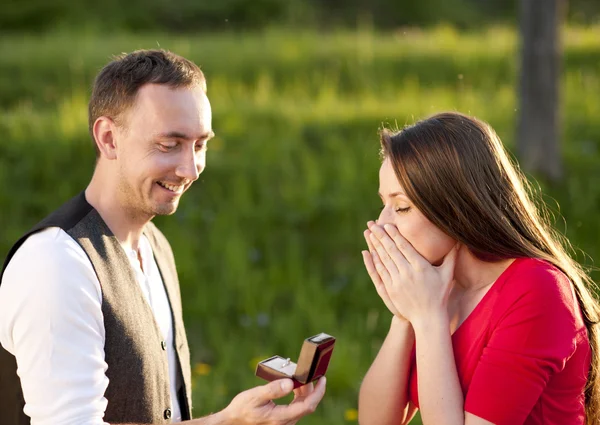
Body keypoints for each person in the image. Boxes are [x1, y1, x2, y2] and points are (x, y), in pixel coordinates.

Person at [0, 49, 326, 425]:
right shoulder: (55, 265)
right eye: (169, 145)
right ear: (109, 139)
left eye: (200, 144)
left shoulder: (156, 246)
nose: (190, 168)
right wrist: (227, 422)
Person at [357, 112, 600, 425]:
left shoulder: (537, 291)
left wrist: (428, 319)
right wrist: (405, 315)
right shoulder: (438, 285)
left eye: (401, 207)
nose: (382, 223)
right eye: (384, 204)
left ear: (455, 208)